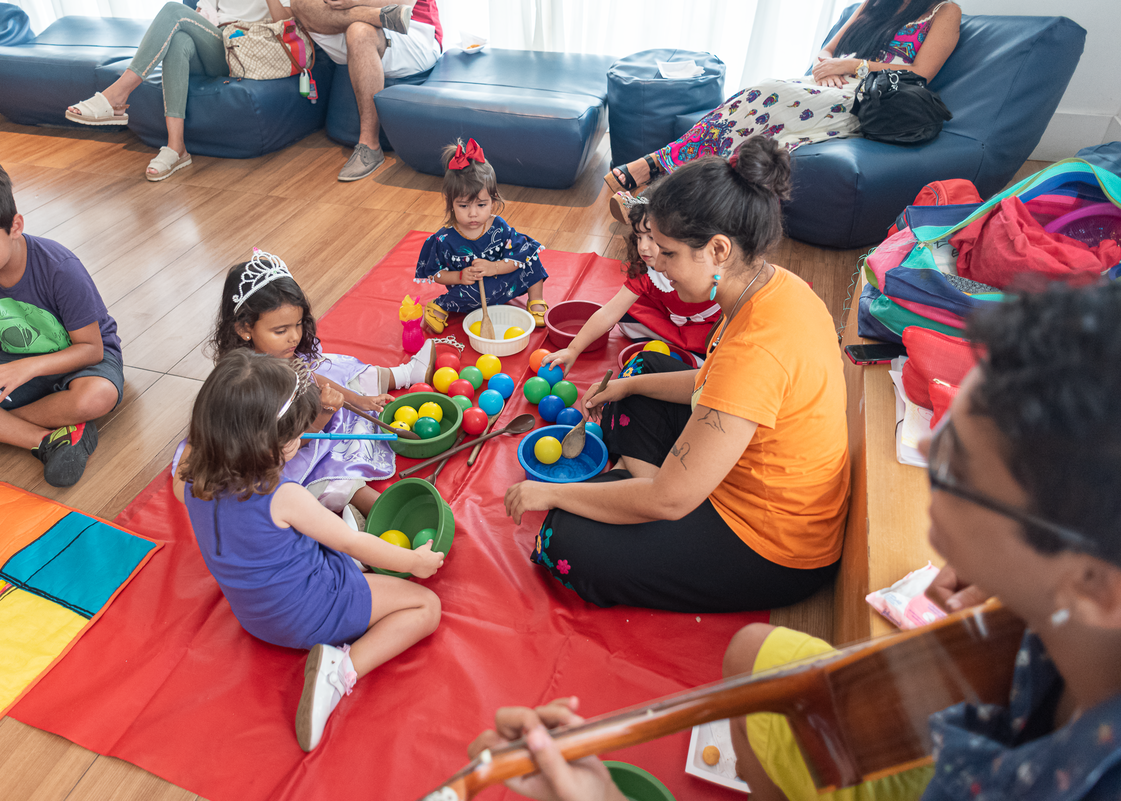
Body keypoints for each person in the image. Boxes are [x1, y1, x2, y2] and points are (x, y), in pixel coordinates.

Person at [475, 281, 1121, 801]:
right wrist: (1012, 587)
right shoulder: (1078, 611)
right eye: (946, 426)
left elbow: (669, 497)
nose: (924, 446)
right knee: (755, 652)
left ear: (1094, 585)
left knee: (572, 537)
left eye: (961, 465)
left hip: (765, 539)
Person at [505, 139, 848, 613]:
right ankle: (632, 487)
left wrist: (551, 492)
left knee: (561, 539)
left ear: (718, 249)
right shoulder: (770, 285)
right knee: (641, 365)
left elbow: (672, 499)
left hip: (771, 544)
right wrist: (626, 386)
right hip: (723, 473)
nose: (657, 264)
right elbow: (712, 380)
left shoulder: (757, 348)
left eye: (667, 253)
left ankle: (631, 492)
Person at [174, 348, 443, 751]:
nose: (302, 439)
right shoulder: (284, 497)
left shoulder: (190, 483)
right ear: (269, 445)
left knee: (333, 534)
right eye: (296, 435)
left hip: (254, 617)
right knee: (426, 607)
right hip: (311, 614)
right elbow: (353, 542)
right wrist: (415, 562)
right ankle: (341, 671)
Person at [603, 0, 962, 221]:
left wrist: (851, 68)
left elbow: (919, 74)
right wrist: (827, 67)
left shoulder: (944, 11)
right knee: (753, 103)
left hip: (870, 99)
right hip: (825, 84)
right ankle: (659, 190)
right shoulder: (875, 4)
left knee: (765, 95)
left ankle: (651, 177)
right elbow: (826, 51)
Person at [0, 155, 122, 487]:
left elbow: (91, 350)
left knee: (95, 397)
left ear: (15, 226)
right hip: (14, 361)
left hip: (78, 359)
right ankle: (45, 439)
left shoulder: (60, 267)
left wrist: (27, 368)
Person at [203, 249, 435, 516]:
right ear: (244, 329)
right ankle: (389, 517)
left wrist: (358, 400)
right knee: (340, 480)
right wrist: (325, 413)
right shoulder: (250, 388)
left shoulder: (281, 352)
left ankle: (407, 374)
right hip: (287, 453)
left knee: (347, 371)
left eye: (299, 324)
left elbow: (312, 377)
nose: (294, 337)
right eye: (281, 331)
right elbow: (291, 445)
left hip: (313, 416)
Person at [65, 0, 319, 181]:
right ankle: (176, 148)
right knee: (179, 40)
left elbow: (285, 21)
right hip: (220, 44)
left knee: (173, 9)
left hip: (254, 45)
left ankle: (118, 95)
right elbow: (205, 13)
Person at [541, 194, 720, 374]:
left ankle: (693, 354)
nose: (642, 247)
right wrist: (573, 349)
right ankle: (680, 349)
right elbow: (609, 312)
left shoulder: (705, 268)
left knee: (715, 354)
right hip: (669, 319)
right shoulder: (644, 271)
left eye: (651, 237)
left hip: (709, 328)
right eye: (638, 237)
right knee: (626, 316)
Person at [289, 0, 443, 182]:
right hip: (356, 22)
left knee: (359, 31)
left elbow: (404, 3)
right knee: (300, 3)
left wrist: (352, 1)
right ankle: (377, 17)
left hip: (412, 30)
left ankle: (370, 146)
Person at [415, 139, 548, 335]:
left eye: (481, 205)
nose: (473, 214)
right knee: (472, 293)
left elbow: (517, 257)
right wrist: (459, 277)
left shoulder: (498, 226)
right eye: (463, 206)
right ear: (450, 202)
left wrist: (493, 267)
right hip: (473, 291)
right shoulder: (443, 239)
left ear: (493, 201)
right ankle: (440, 305)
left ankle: (535, 300)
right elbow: (435, 273)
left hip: (502, 280)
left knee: (531, 258)